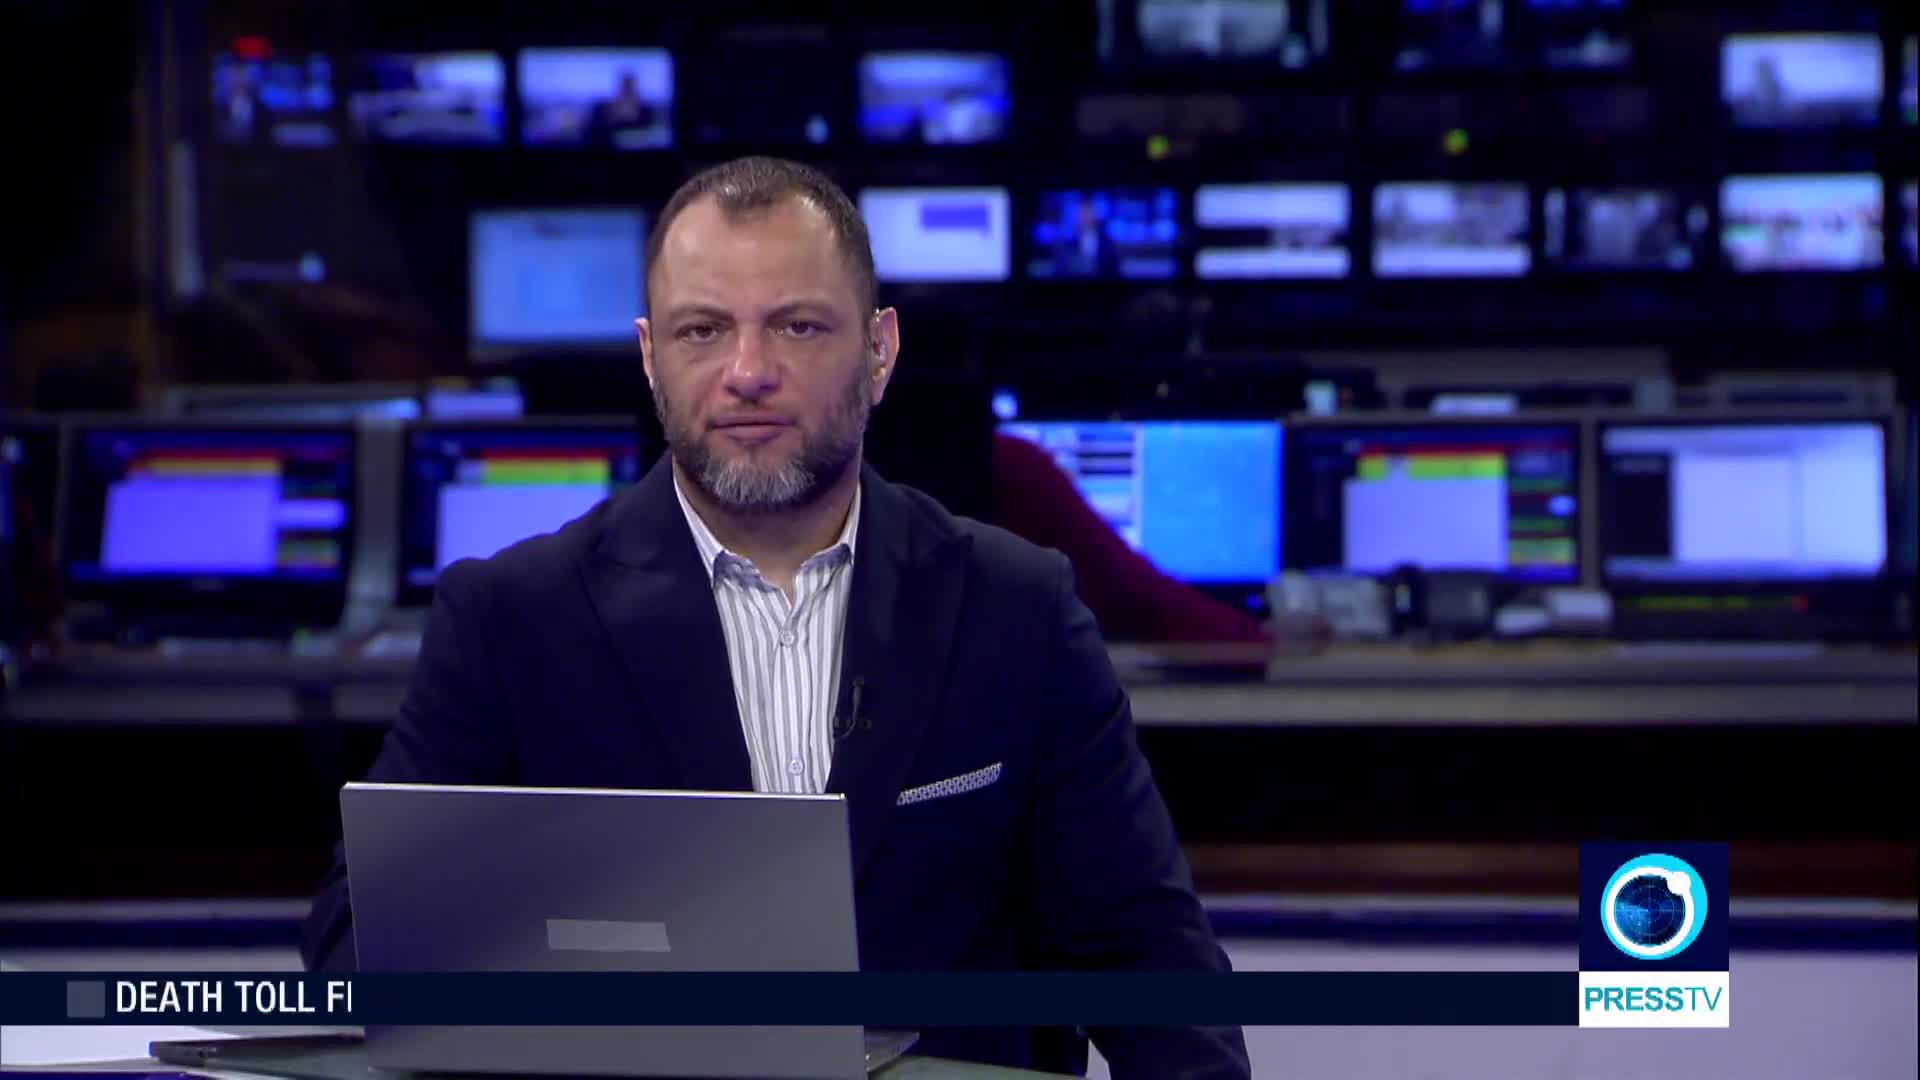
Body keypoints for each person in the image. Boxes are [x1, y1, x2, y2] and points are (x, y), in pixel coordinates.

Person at [300, 156, 1250, 1078]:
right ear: (650, 358)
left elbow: (1149, 958)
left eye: (796, 327)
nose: (747, 372)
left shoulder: (1017, 608)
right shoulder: (512, 619)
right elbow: (360, 949)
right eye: (702, 331)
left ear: (879, 352)